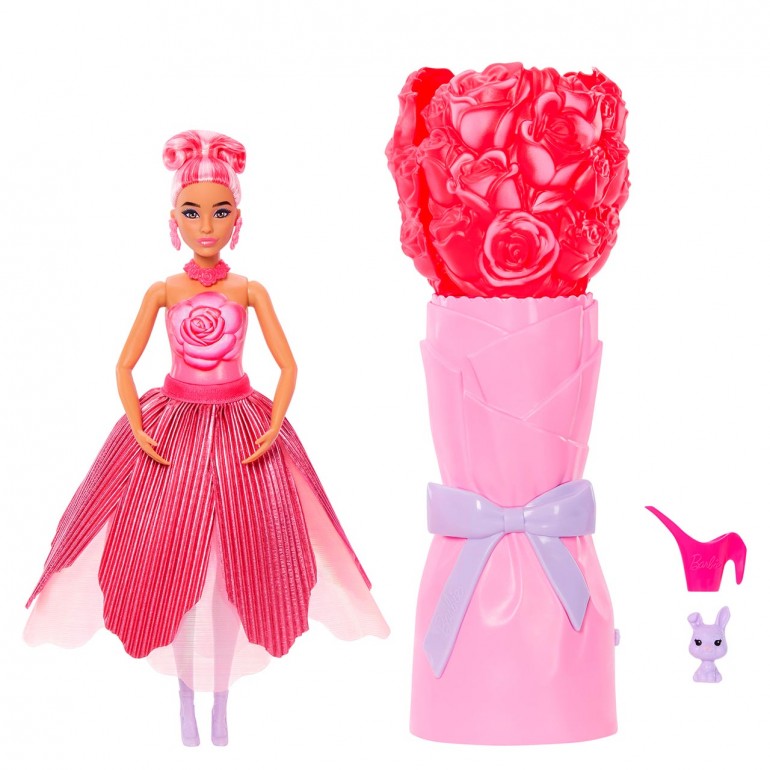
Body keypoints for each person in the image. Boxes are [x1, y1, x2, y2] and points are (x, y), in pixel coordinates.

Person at [24, 129, 389, 747]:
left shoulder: (249, 290)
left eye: (219, 212)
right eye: (192, 213)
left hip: (242, 430)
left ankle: (220, 699)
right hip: (172, 432)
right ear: (174, 220)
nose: (206, 226)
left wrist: (272, 422)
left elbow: (289, 366)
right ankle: (184, 697)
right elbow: (123, 366)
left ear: (237, 220)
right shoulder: (163, 291)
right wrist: (137, 425)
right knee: (169, 562)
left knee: (242, 563)